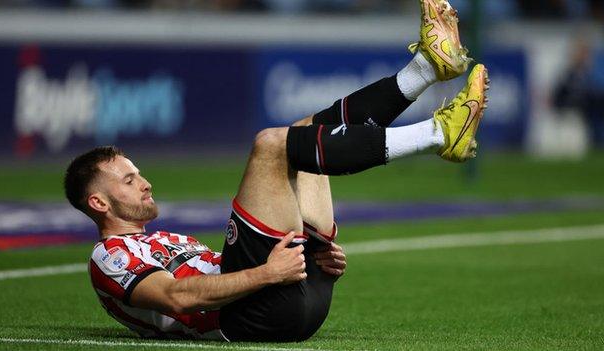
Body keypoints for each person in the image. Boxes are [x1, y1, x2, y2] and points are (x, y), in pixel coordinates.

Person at [64, 0, 489, 342]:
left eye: (137, 174)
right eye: (128, 179)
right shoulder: (109, 257)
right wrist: (268, 274)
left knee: (304, 135)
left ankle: (428, 69)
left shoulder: (165, 240)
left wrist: (313, 255)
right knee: (272, 145)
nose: (145, 182)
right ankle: (436, 134)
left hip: (296, 291)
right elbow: (177, 298)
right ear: (98, 202)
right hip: (255, 317)